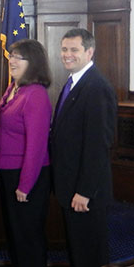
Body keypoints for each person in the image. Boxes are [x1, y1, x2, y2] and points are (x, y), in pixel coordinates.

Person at [51, 28, 116, 267]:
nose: (67, 54)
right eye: (64, 49)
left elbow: (98, 146)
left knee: (89, 254)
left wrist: (85, 191)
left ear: (89, 52)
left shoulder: (97, 87)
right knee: (78, 251)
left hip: (86, 193)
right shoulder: (74, 83)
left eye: (74, 50)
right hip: (70, 186)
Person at [0, 39, 52, 267]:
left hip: (27, 177)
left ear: (33, 63)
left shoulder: (35, 94)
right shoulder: (14, 88)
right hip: (8, 173)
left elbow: (36, 147)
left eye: (19, 57)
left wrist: (25, 185)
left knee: (28, 237)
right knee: (15, 235)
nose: (12, 61)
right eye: (12, 56)